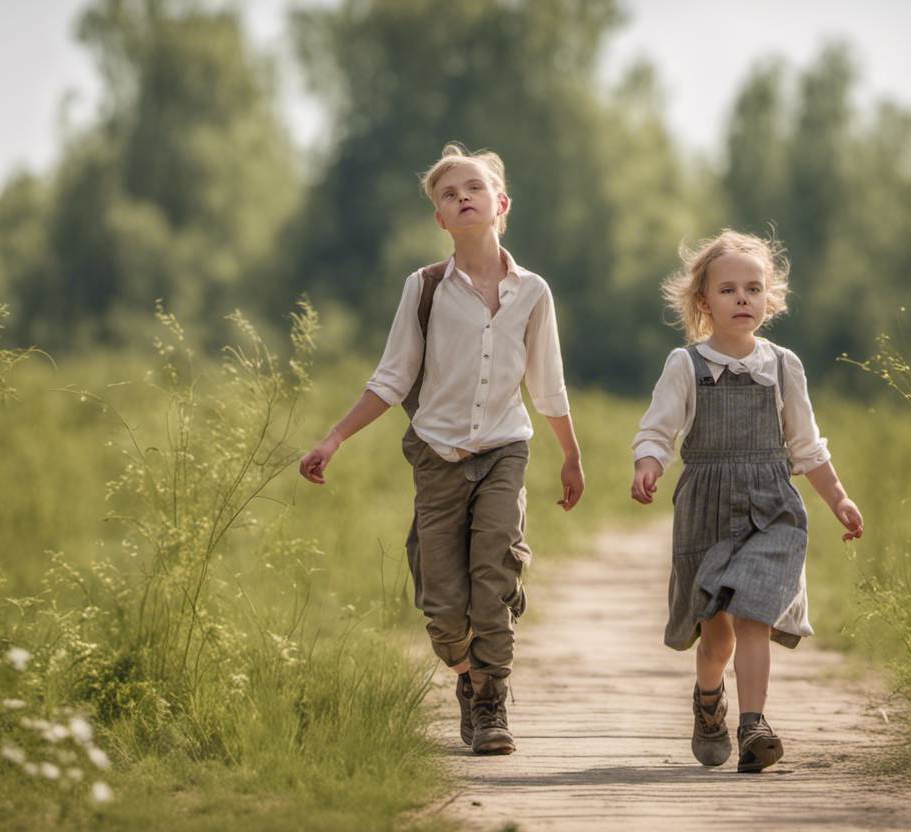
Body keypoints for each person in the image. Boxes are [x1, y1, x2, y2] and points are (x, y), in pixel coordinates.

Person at [299, 143, 584, 756]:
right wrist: (335, 437)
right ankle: (467, 672)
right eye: (449, 195)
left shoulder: (533, 292)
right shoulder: (424, 288)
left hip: (505, 449)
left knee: (491, 575)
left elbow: (547, 382)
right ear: (440, 219)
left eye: (473, 188)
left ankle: (491, 702)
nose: (462, 198)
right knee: (443, 607)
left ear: (500, 203)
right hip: (436, 454)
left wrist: (571, 455)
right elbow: (392, 378)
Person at [630, 229, 862, 772]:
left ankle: (754, 723)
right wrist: (648, 464)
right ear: (703, 301)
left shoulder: (783, 366)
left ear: (770, 298)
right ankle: (709, 700)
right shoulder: (685, 365)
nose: (742, 298)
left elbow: (806, 446)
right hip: (707, 509)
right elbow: (658, 431)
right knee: (716, 636)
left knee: (754, 614)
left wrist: (840, 499)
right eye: (729, 289)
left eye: (753, 288)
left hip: (772, 507)